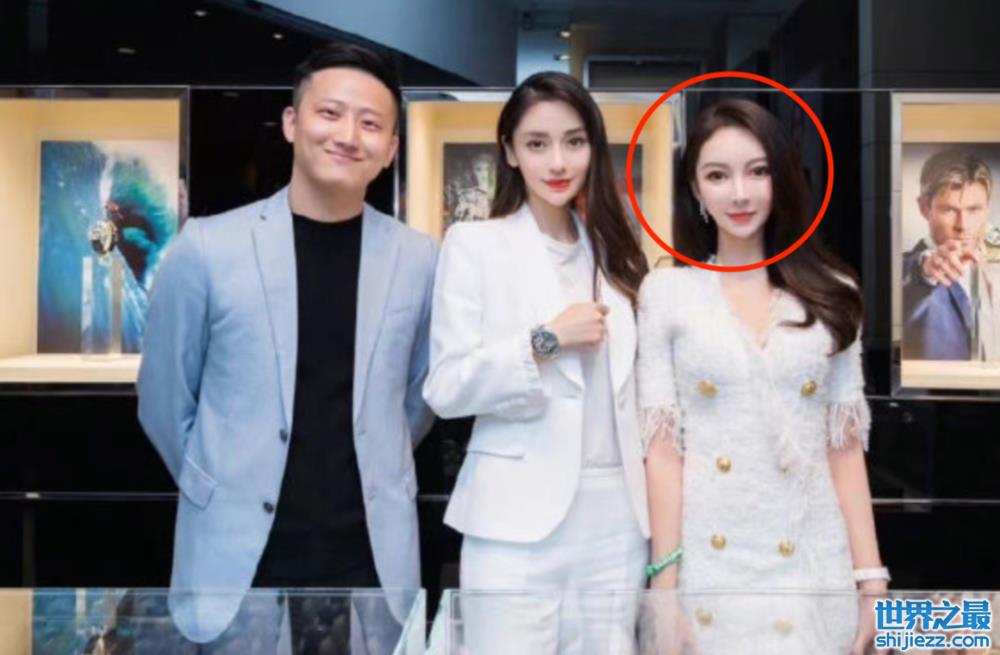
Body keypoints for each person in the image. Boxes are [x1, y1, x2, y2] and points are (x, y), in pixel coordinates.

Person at [137, 42, 437, 646]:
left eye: (370, 123)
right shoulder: (207, 247)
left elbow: (418, 396)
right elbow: (165, 401)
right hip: (237, 560)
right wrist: (219, 482)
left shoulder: (420, 260)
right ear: (292, 123)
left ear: (391, 149)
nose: (347, 135)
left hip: (370, 560)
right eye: (330, 113)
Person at [638, 99, 888, 655]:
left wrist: (872, 582)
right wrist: (664, 588)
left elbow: (845, 449)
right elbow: (663, 454)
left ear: (781, 178)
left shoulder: (833, 292)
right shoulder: (667, 295)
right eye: (717, 176)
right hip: (710, 564)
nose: (740, 194)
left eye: (757, 171)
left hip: (813, 559)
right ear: (695, 189)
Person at [423, 71, 650, 654]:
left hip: (617, 520)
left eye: (574, 142)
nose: (558, 161)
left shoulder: (616, 252)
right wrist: (545, 341)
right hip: (514, 522)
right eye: (537, 143)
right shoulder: (475, 245)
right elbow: (445, 387)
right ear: (510, 151)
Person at [902, 149, 994, 360]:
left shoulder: (991, 258)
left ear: (987, 208)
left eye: (973, 210)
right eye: (949, 210)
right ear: (924, 208)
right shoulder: (909, 268)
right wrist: (926, 269)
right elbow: (910, 273)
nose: (963, 225)